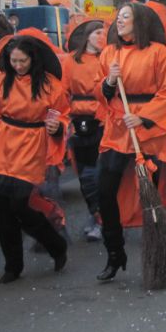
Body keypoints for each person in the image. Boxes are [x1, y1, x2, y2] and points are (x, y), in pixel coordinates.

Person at [95, 3, 166, 281]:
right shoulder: (109, 53)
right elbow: (101, 93)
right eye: (118, 17)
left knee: (149, 195)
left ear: (138, 22)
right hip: (117, 129)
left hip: (146, 131)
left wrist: (143, 118)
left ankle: (158, 254)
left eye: (126, 17)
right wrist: (109, 81)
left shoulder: (157, 52)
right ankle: (115, 252)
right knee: (104, 189)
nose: (120, 21)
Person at [0, 35, 70, 283]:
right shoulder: (2, 81)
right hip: (2, 145)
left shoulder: (51, 85)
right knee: (3, 210)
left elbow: (61, 113)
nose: (18, 66)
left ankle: (55, 244)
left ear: (33, 58)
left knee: (21, 203)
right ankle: (13, 265)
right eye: (13, 61)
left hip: (32, 143)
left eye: (22, 61)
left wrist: (57, 126)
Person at [63, 19, 107, 242]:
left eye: (104, 32)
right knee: (84, 175)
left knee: (100, 174)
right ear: (87, 35)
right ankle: (96, 215)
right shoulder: (70, 61)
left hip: (104, 122)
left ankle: (101, 219)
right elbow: (61, 92)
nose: (101, 36)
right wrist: (65, 120)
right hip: (78, 121)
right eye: (97, 32)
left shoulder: (109, 58)